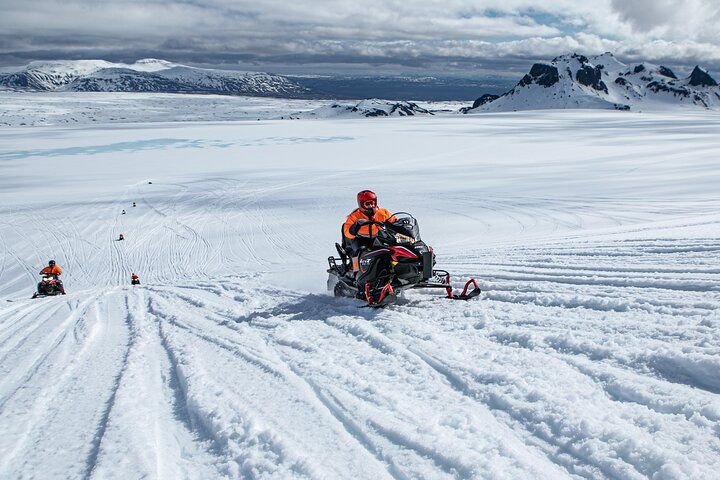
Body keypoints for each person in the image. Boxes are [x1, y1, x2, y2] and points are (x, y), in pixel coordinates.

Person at [342, 190, 396, 256]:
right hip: (361, 239)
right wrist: (355, 226)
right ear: (361, 204)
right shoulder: (354, 216)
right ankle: (356, 265)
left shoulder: (383, 213)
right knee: (360, 252)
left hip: (379, 238)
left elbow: (394, 222)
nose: (371, 205)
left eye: (372, 203)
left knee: (389, 250)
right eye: (367, 204)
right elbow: (347, 233)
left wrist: (401, 224)